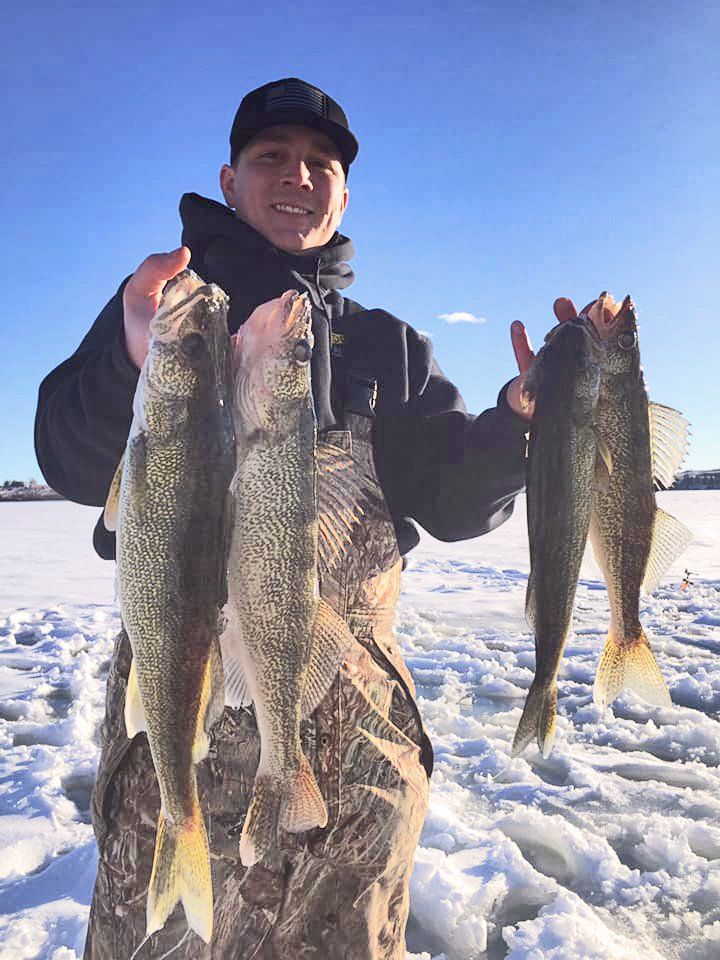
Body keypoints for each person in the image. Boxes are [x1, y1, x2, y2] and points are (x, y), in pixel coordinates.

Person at [35, 78, 556, 959]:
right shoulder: (162, 311)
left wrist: (517, 422)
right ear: (229, 180)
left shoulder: (389, 346)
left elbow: (457, 500)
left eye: (321, 164)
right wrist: (136, 357)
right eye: (271, 156)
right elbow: (72, 458)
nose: (298, 177)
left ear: (344, 194)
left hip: (354, 771)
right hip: (183, 738)